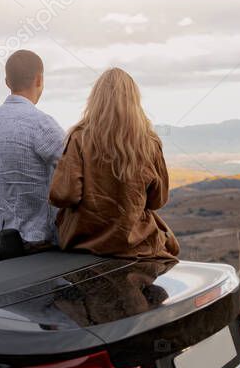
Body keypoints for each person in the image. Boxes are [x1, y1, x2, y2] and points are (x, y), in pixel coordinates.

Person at [48, 67, 179, 259]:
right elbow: (157, 200)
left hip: (83, 244)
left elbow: (64, 195)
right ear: (134, 101)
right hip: (135, 246)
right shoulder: (149, 142)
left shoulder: (79, 138)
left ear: (96, 100)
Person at [0, 50, 65, 250]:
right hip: (27, 249)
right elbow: (77, 170)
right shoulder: (42, 125)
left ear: (7, 82)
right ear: (39, 80)